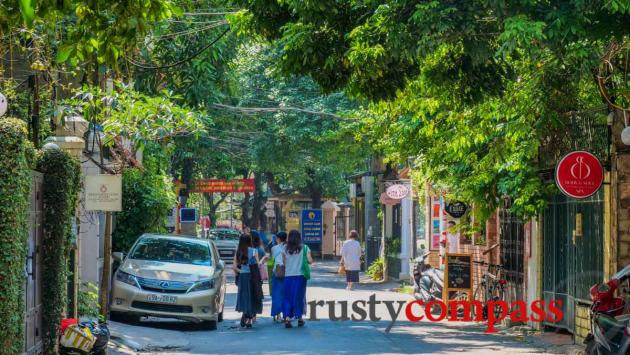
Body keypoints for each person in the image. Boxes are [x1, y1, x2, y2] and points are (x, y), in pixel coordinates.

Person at [282, 230, 313, 328]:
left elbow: (284, 263)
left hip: (288, 276)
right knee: (299, 297)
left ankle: (287, 318)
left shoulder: (284, 248)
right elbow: (310, 261)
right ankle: (299, 318)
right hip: (300, 276)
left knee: (287, 297)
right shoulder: (304, 248)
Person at [233, 233, 259, 328]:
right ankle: (249, 319)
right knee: (252, 297)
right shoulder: (254, 251)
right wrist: (263, 259)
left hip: (242, 277)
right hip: (252, 276)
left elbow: (234, 267)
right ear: (249, 241)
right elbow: (257, 265)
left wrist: (242, 271)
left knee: (244, 296)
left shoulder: (238, 251)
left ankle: (245, 313)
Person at [270, 231, 287, 322]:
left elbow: (272, 260)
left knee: (276, 294)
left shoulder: (274, 248)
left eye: (277, 238)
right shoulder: (288, 248)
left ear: (279, 239)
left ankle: (278, 315)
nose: (276, 239)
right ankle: (286, 314)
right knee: (285, 295)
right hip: (286, 273)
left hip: (276, 272)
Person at [250, 231, 267, 321]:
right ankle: (254, 314)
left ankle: (251, 313)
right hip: (258, 275)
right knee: (257, 293)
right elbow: (262, 262)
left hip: (250, 274)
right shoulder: (260, 249)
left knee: (250, 293)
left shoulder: (249, 249)